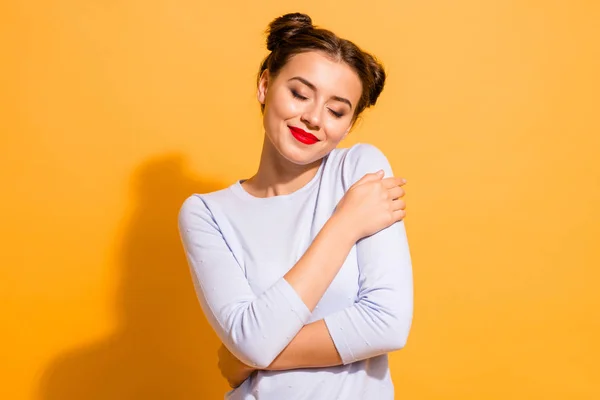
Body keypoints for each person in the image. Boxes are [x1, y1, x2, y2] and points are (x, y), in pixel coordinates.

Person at [178, 12, 413, 400]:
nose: (313, 118)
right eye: (300, 94)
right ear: (265, 85)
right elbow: (251, 341)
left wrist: (247, 360)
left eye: (337, 111)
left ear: (349, 124)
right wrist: (345, 224)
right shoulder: (206, 213)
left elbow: (387, 323)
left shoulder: (359, 170)